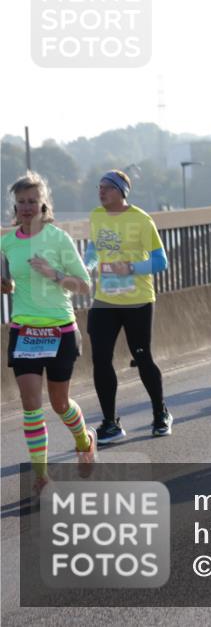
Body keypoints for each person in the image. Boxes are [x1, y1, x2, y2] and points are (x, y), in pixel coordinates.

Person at [2, 173, 96, 495]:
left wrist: (52, 273)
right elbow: (11, 282)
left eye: (32, 201)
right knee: (31, 404)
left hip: (59, 329)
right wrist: (7, 286)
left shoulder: (58, 239)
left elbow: (84, 285)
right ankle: (41, 476)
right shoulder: (6, 242)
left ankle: (84, 440)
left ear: (43, 204)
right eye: (21, 202)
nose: (27, 207)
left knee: (59, 403)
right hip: (24, 329)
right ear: (14, 205)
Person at [84, 169, 171, 444]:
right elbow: (93, 249)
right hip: (105, 300)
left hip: (137, 300)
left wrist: (131, 267)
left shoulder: (141, 220)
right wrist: (87, 266)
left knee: (142, 356)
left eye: (107, 187)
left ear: (121, 191)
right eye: (99, 187)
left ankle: (161, 413)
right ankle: (110, 423)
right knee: (100, 358)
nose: (101, 191)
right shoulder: (97, 216)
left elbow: (161, 262)